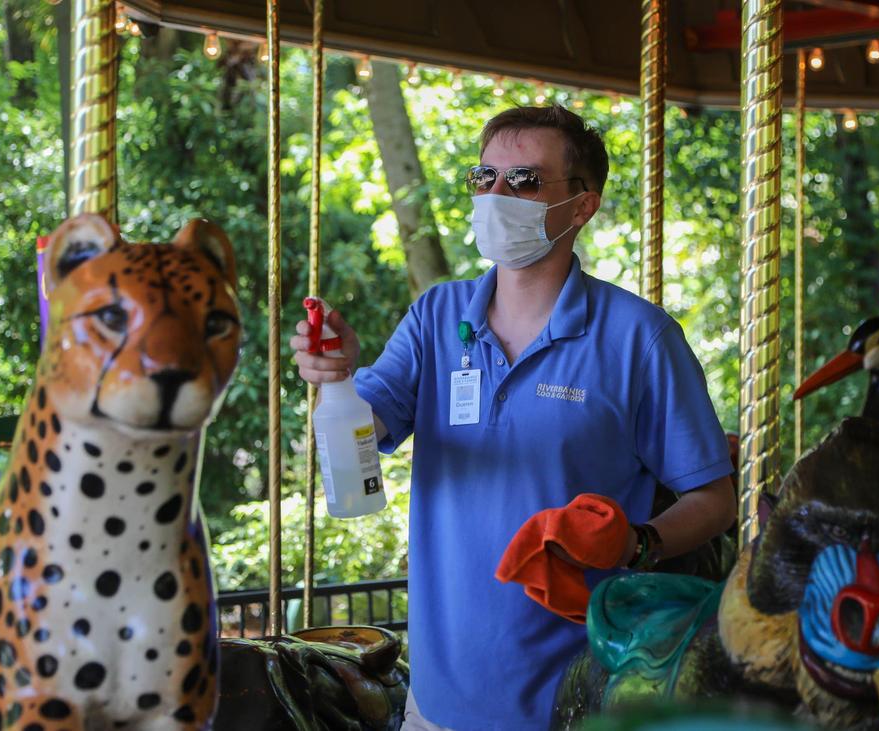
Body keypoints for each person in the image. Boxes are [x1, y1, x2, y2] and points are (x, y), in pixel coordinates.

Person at [291, 105, 736, 730]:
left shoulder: (641, 339)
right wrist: (335, 378)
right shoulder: (436, 318)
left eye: (524, 181)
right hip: (439, 701)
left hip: (585, 696)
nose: (497, 195)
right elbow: (366, 434)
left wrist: (641, 542)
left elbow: (715, 498)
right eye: (484, 178)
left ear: (581, 206)